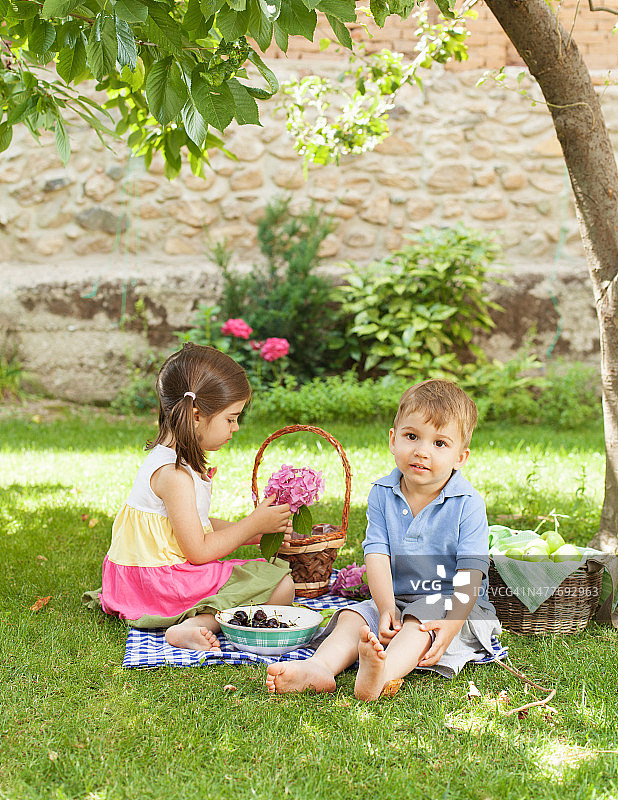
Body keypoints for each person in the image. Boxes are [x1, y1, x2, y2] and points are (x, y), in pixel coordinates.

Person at [266, 379, 500, 700]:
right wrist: (386, 606)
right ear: (393, 439)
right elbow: (376, 554)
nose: (421, 451)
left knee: (419, 624)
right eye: (411, 436)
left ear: (461, 457)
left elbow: (471, 571)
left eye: (439, 443)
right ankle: (319, 667)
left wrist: (453, 624)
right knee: (354, 618)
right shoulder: (382, 493)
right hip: (397, 597)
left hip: (451, 604)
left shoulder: (467, 503)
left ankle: (383, 673)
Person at [83, 343, 295, 651]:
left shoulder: (169, 460)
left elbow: (194, 525)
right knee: (280, 585)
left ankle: (196, 619)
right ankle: (196, 624)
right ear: (196, 415)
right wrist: (250, 524)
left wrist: (255, 533)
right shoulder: (174, 475)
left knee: (265, 578)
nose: (236, 428)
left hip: (138, 581)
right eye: (231, 418)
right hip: (162, 584)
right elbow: (198, 551)